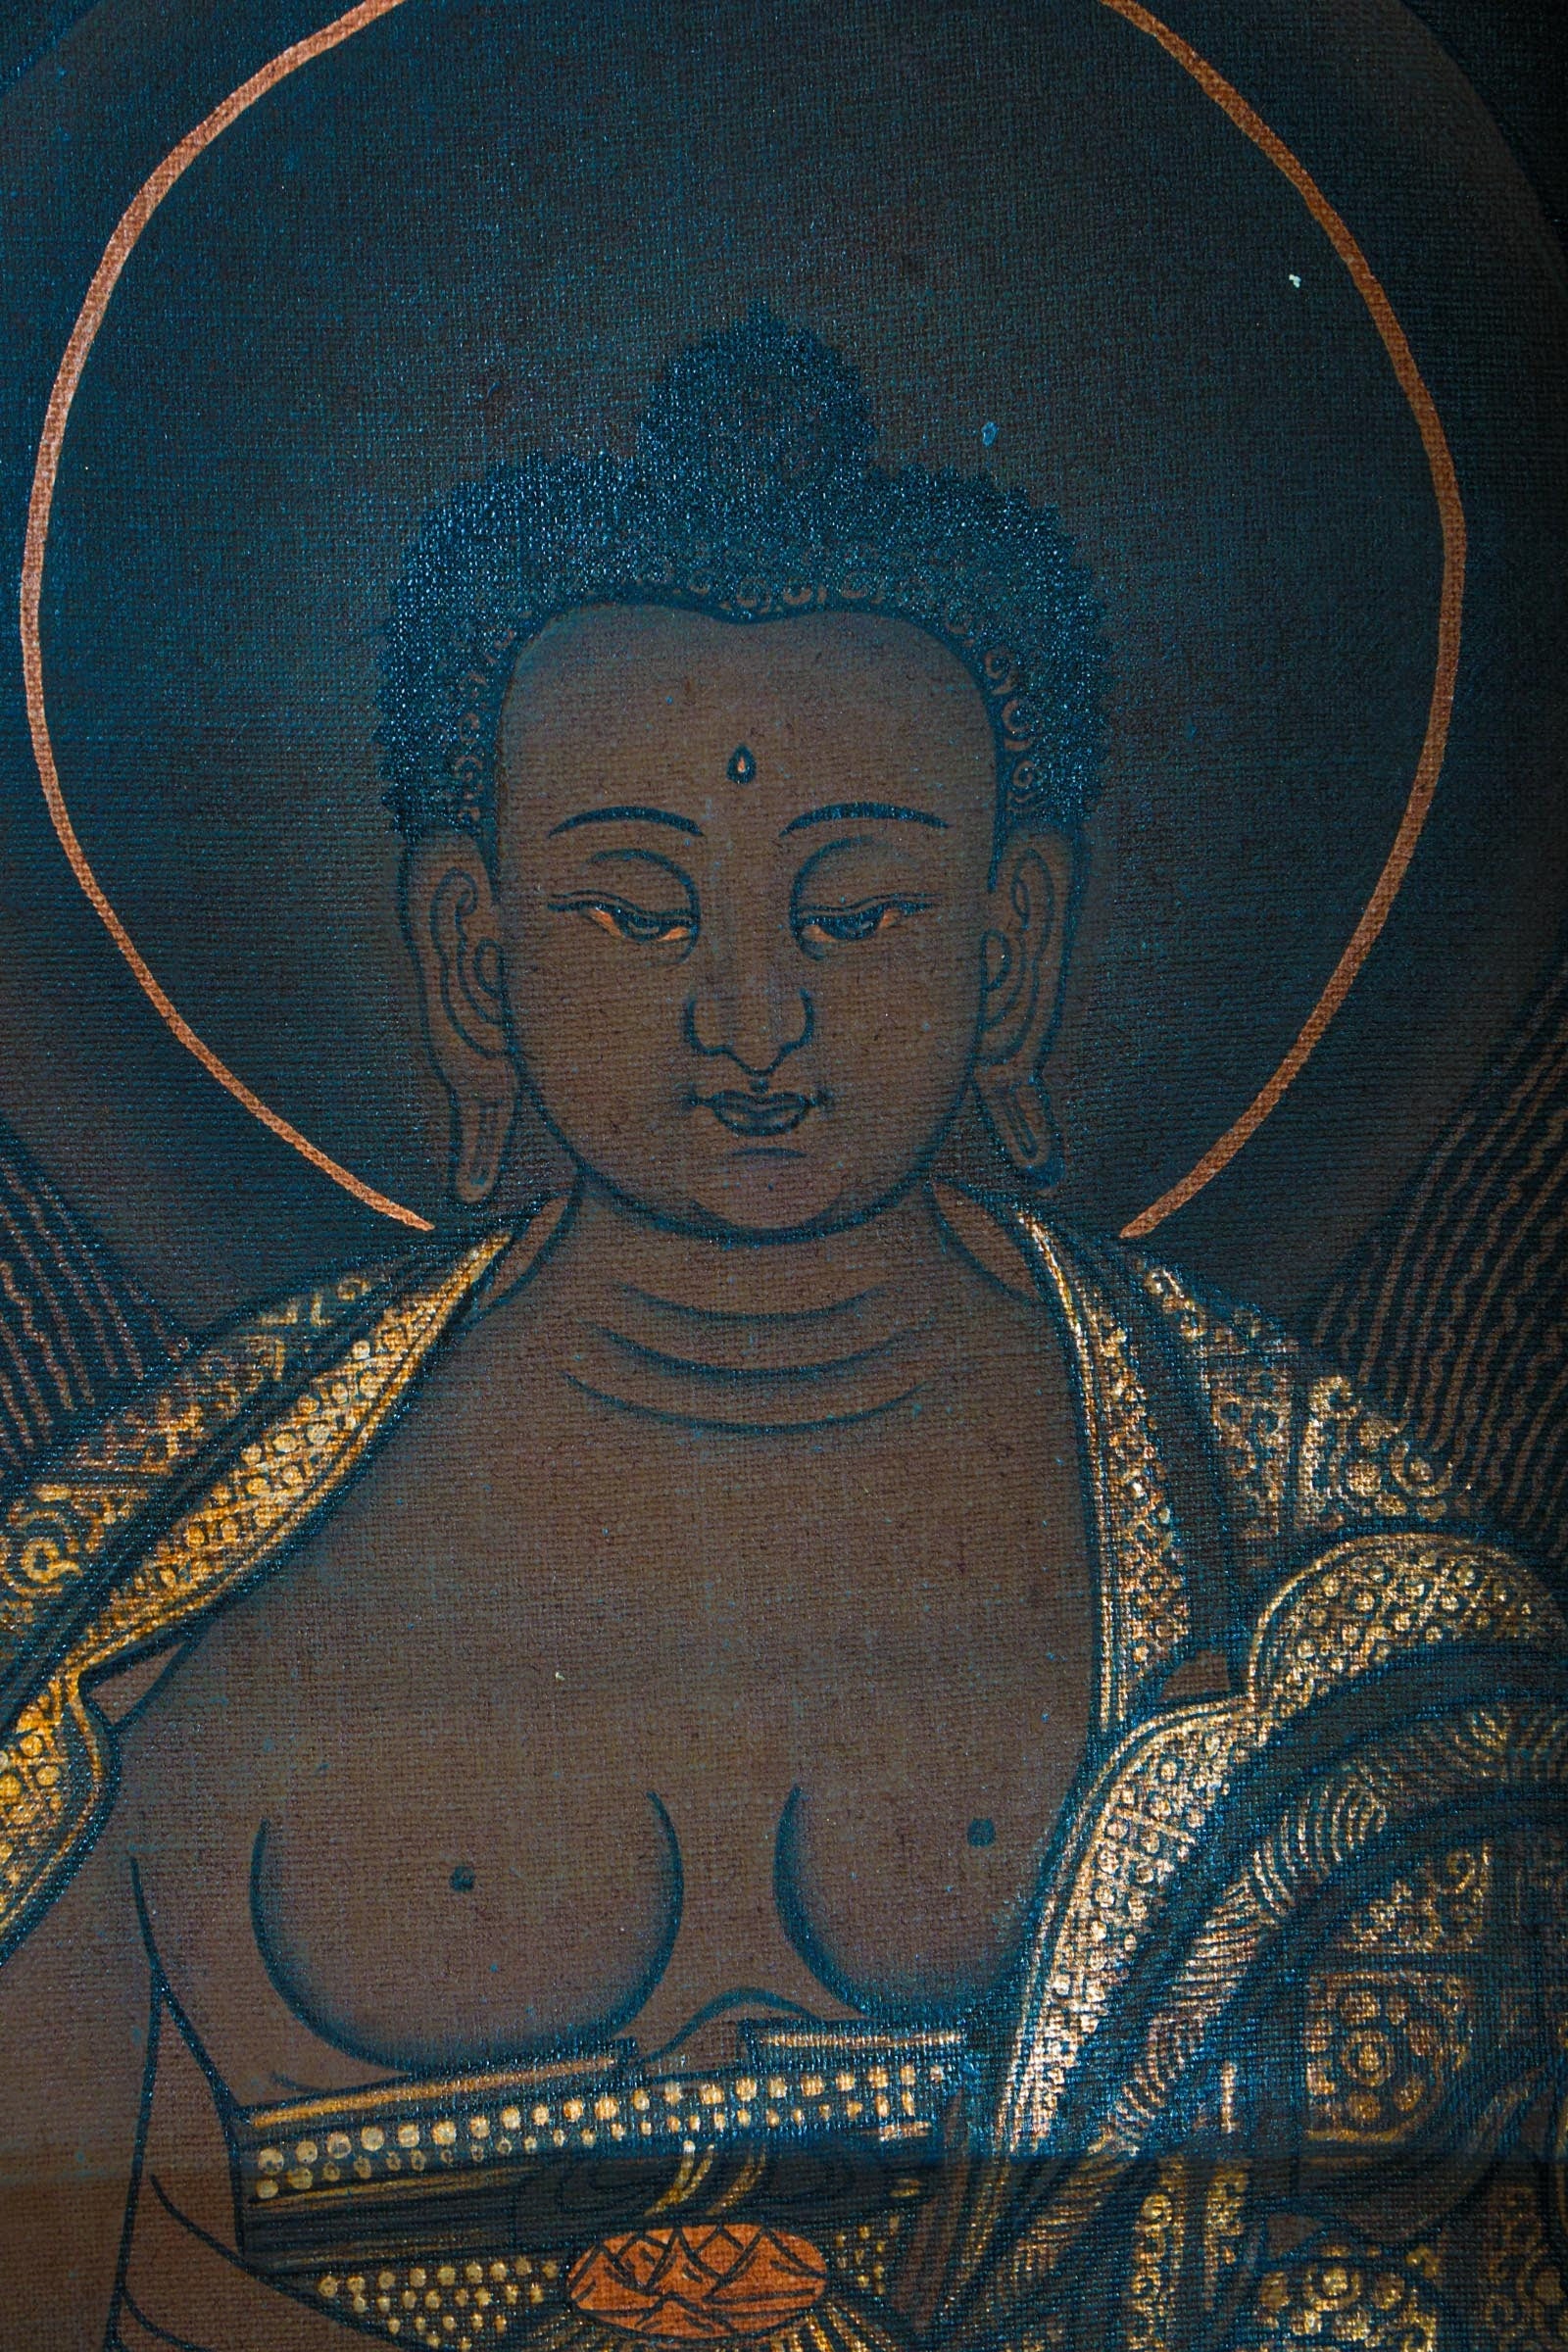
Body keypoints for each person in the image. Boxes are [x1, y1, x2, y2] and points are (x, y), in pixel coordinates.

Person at [0, 313, 1562, 2352]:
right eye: (638, 912)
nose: (752, 1018)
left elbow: (1450, 2245)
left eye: (856, 913)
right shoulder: (149, 1603)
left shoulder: (1298, 1561)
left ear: (1015, 947)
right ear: (472, 956)